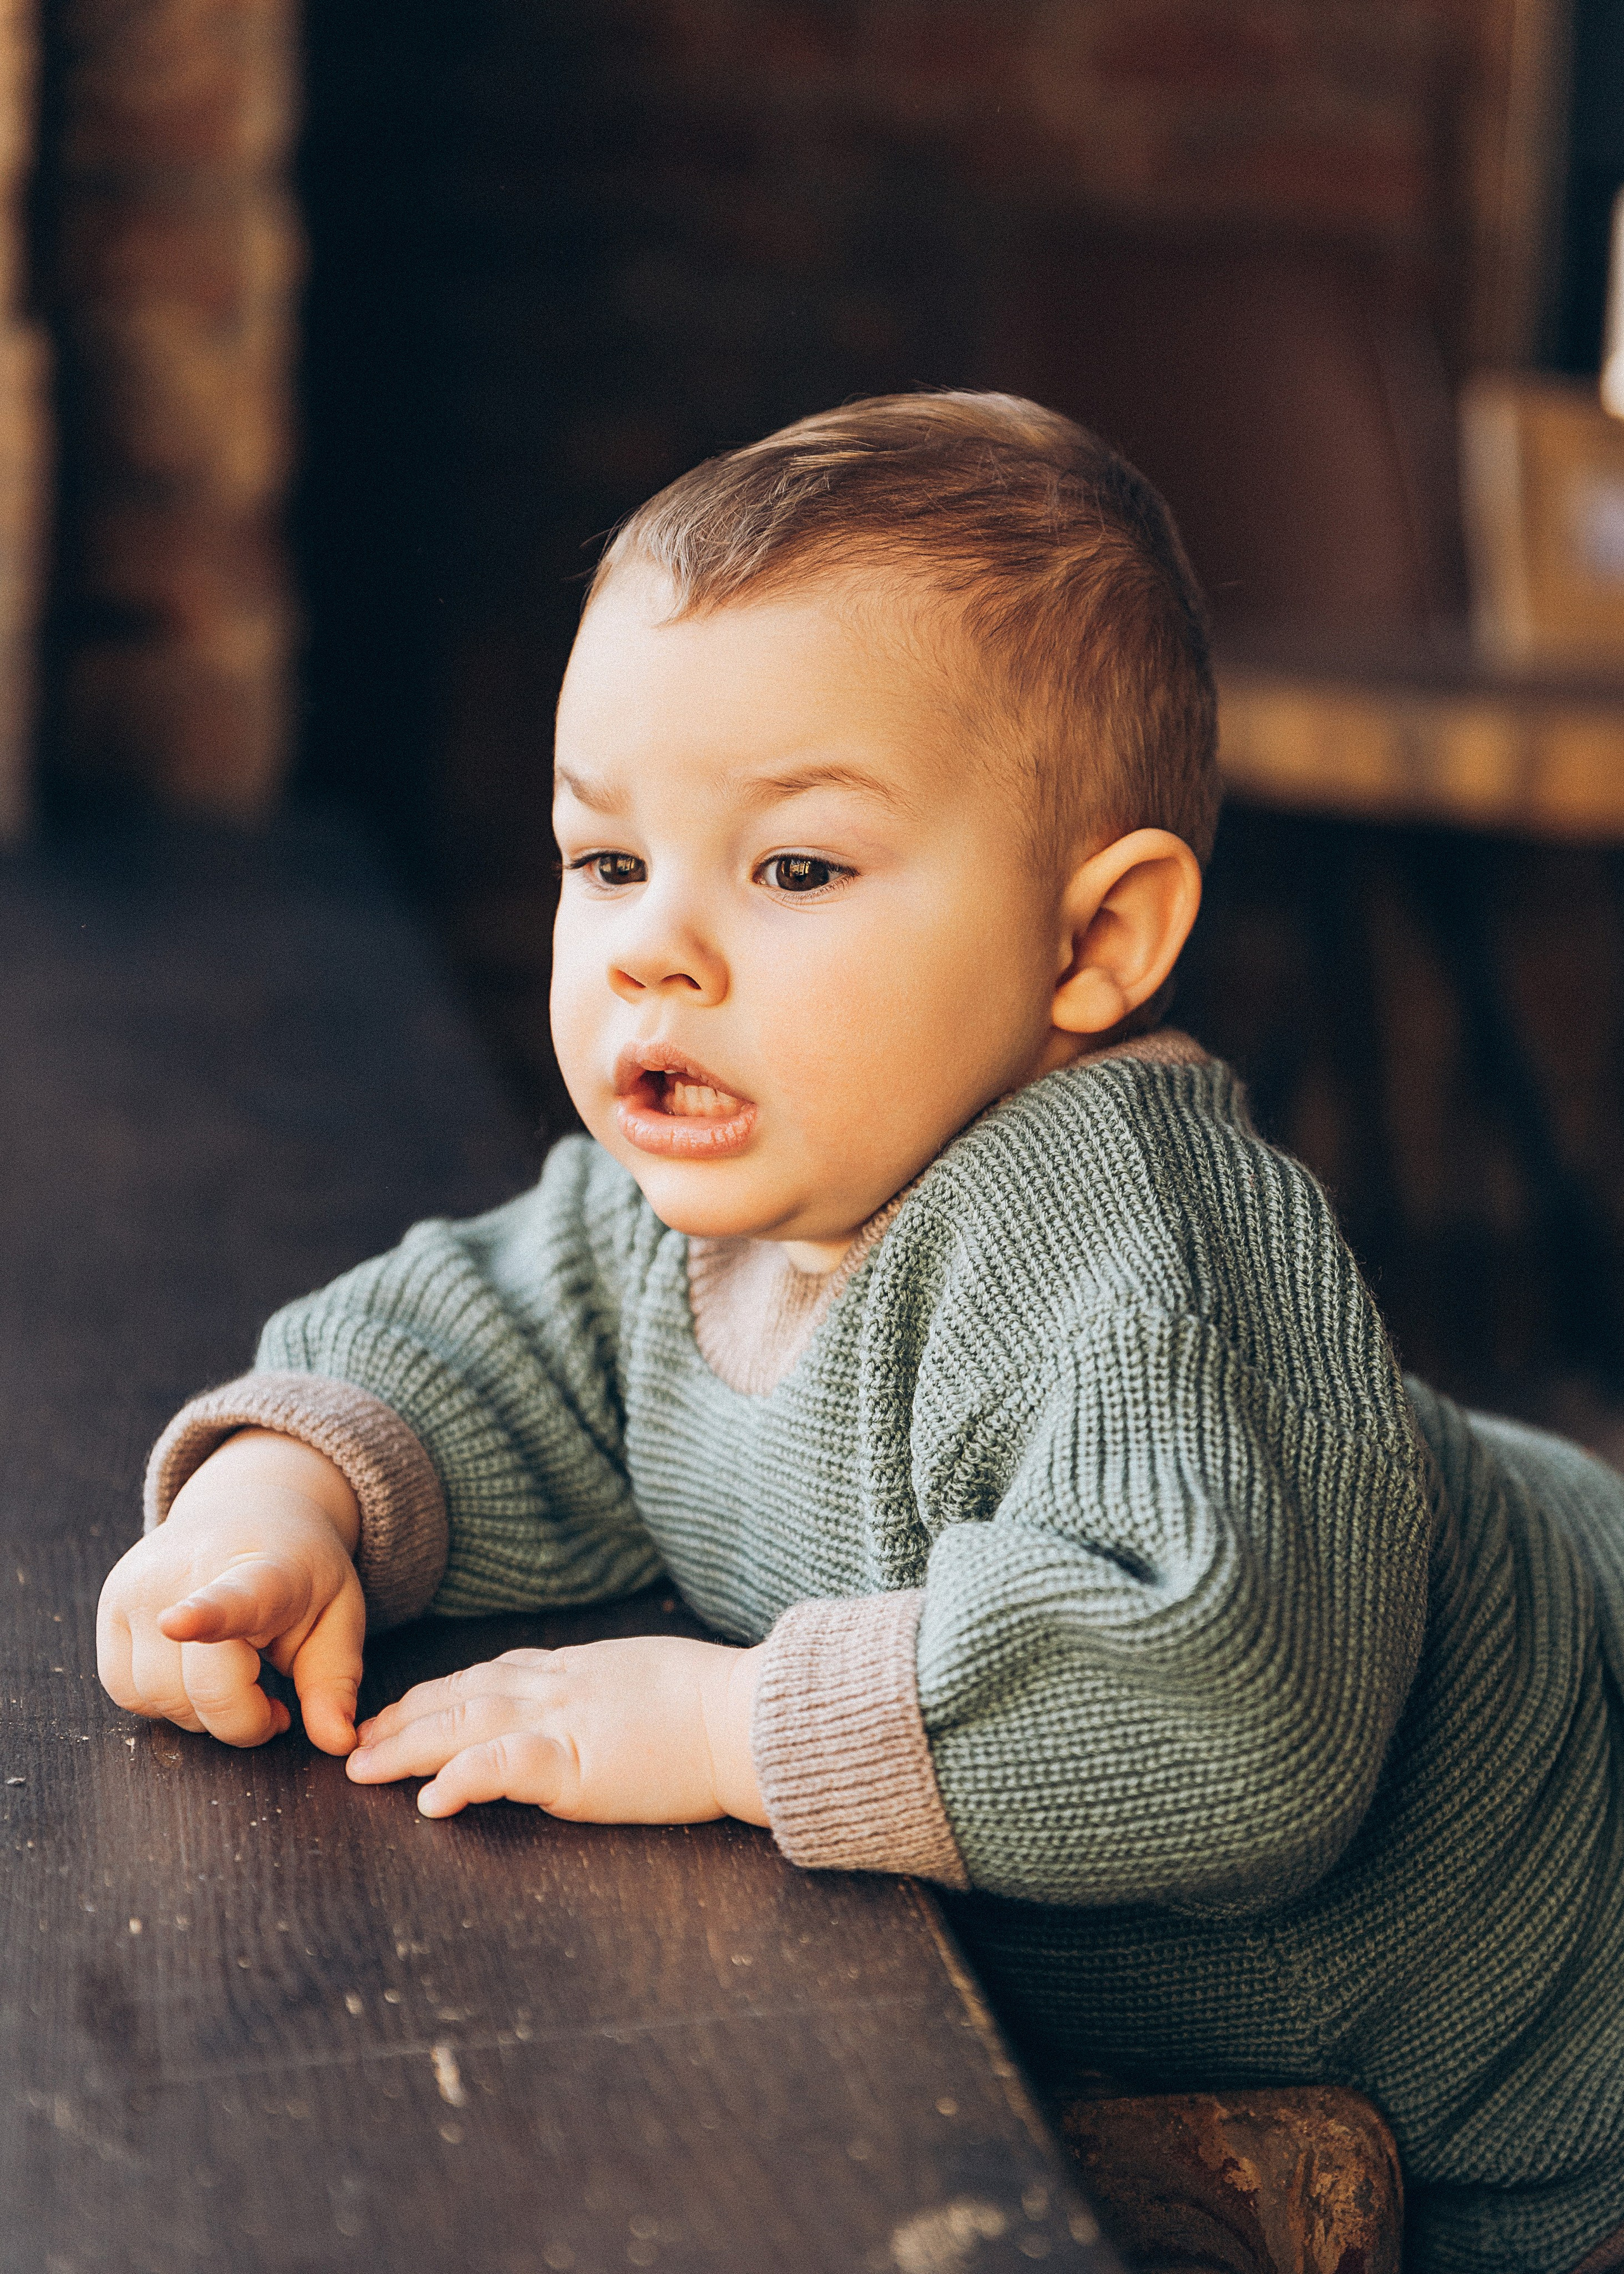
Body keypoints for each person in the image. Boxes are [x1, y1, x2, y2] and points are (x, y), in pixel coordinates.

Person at [96, 393, 1624, 2274]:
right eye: (607, 862)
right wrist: (282, 1501)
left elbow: (1229, 1699)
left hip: (1554, 2061)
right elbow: (486, 1332)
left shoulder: (1128, 1242)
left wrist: (733, 1724)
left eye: (795, 870)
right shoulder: (717, 1203)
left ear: (1092, 947)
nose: (660, 950)